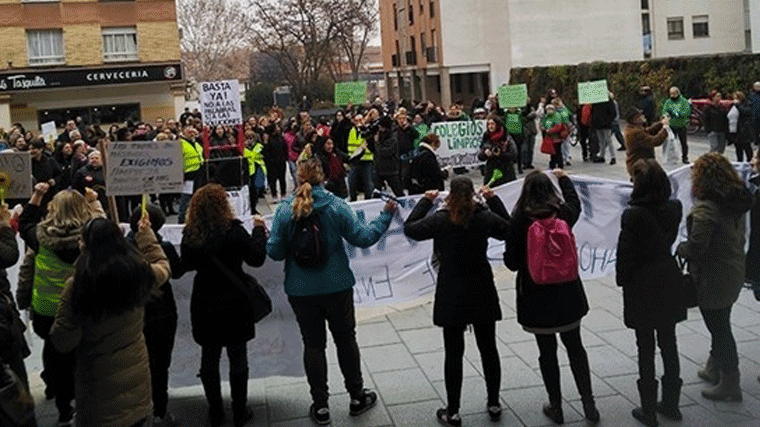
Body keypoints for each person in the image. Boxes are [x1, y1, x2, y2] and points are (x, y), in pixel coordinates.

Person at [266, 149, 395, 426]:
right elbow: (363, 238)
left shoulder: (285, 210)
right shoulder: (336, 206)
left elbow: (275, 252)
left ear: (296, 177)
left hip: (301, 289)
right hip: (337, 286)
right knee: (346, 339)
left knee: (313, 345)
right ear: (323, 177)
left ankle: (321, 405)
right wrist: (385, 216)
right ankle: (357, 396)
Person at [404, 178, 510, 426]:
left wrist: (424, 201)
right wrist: (493, 200)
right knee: (489, 348)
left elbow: (410, 228)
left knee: (453, 353)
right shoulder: (483, 217)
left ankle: (453, 410)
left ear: (450, 195)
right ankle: (494, 402)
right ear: (473, 195)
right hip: (481, 286)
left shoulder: (440, 219)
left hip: (451, 289)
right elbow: (510, 228)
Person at [49, 210, 169, 427]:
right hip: (137, 384)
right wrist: (146, 235)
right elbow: (163, 265)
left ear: (85, 245)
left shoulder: (77, 286)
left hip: (97, 391)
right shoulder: (138, 272)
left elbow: (63, 341)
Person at [504, 170, 599, 425]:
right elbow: (576, 203)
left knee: (547, 353)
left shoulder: (519, 220)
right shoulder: (563, 214)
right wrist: (564, 179)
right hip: (568, 293)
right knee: (576, 347)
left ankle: (556, 406)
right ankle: (588, 402)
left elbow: (511, 263)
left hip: (536, 297)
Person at [16, 183, 105, 426]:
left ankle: (63, 407)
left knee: (57, 354)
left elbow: (24, 225)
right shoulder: (92, 236)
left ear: (53, 210)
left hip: (47, 310)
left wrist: (37, 196)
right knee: (86, 356)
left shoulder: (40, 237)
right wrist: (95, 202)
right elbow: (105, 225)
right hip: (83, 307)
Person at [181, 184, 268, 427]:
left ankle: (216, 411)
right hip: (234, 301)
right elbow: (257, 258)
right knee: (237, 356)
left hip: (205, 301)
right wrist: (260, 231)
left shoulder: (190, 235)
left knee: (209, 357)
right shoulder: (234, 232)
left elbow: (185, 264)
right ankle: (240, 411)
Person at [676, 153, 752, 402]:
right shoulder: (734, 199)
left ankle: (731, 382)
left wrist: (681, 248)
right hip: (733, 269)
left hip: (714, 275)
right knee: (722, 319)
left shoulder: (707, 208)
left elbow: (698, 247)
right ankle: (714, 366)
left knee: (719, 327)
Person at [616, 159, 685, 426]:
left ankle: (648, 408)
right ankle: (671, 403)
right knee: (669, 342)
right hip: (668, 278)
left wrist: (623, 280)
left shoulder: (633, 214)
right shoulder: (674, 207)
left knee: (645, 346)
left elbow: (626, 254)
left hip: (642, 283)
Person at [623, 109, 669, 179]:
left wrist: (661, 124)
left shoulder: (633, 128)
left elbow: (648, 131)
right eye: (640, 115)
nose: (643, 116)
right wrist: (665, 129)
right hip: (640, 166)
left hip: (641, 164)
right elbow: (655, 141)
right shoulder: (635, 132)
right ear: (635, 119)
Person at [479, 116, 517, 186]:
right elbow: (480, 156)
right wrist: (485, 153)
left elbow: (514, 155)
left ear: (497, 125)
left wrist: (500, 154)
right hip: (491, 170)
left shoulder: (506, 137)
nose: (490, 126)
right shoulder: (486, 136)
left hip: (506, 170)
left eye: (492, 124)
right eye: (489, 124)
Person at [373, 115, 404, 197]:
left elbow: (385, 152)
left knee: (398, 191)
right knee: (376, 192)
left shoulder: (393, 137)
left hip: (391, 169)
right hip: (379, 169)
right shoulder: (380, 135)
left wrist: (377, 143)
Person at [178, 126, 204, 223]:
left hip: (198, 173)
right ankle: (181, 219)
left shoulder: (196, 143)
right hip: (187, 175)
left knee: (197, 198)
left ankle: (196, 219)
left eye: (193, 132)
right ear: (183, 133)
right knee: (186, 199)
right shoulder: (180, 144)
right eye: (189, 132)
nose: (191, 133)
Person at [347, 114, 374, 201]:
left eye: (360, 120)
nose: (359, 122)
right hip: (355, 160)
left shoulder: (368, 130)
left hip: (366, 160)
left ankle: (368, 200)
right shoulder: (352, 130)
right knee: (351, 182)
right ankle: (353, 199)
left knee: (368, 183)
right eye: (356, 120)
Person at [661, 87, 691, 164]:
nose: (672, 95)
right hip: (672, 125)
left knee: (683, 142)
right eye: (671, 93)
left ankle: (685, 157)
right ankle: (671, 157)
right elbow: (664, 110)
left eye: (674, 93)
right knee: (671, 142)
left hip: (681, 125)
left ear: (678, 93)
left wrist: (678, 114)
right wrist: (666, 114)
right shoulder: (668, 102)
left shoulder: (683, 101)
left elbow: (687, 112)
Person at [591, 94, 617, 165]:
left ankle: (611, 156)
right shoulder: (608, 102)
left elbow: (594, 112)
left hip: (602, 124)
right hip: (603, 124)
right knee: (604, 141)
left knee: (606, 141)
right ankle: (605, 156)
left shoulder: (597, 102)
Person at [730, 91, 754, 162]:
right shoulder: (734, 105)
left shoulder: (748, 104)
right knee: (738, 148)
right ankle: (739, 161)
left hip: (745, 130)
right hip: (736, 130)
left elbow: (746, 112)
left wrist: (738, 105)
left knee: (747, 147)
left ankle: (749, 161)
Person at [541, 105, 566, 169]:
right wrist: (543, 128)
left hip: (556, 137)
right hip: (549, 137)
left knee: (557, 151)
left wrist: (550, 130)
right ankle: (553, 164)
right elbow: (542, 123)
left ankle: (559, 164)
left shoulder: (557, 116)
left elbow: (558, 126)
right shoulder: (546, 116)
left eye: (550, 109)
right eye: (547, 109)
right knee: (552, 151)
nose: (549, 111)